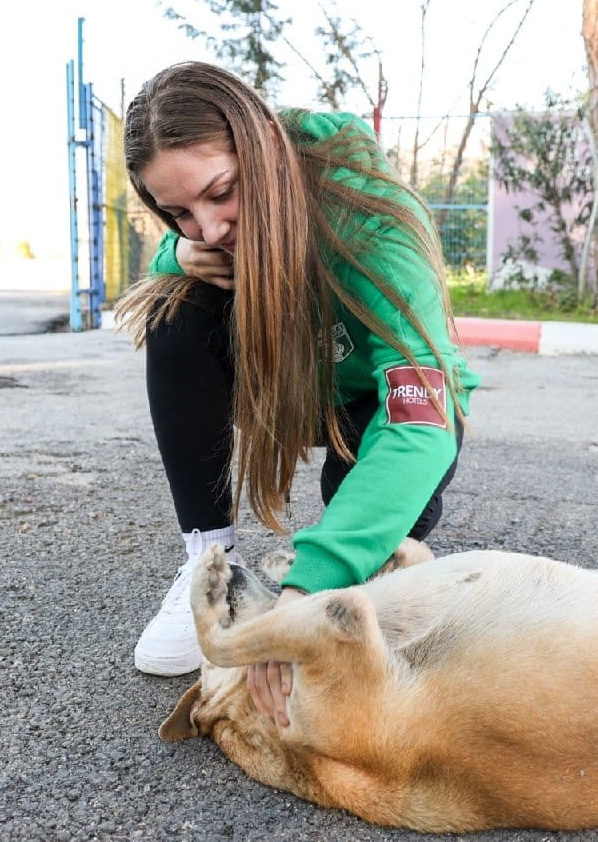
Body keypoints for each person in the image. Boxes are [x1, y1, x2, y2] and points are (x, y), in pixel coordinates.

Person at [115, 61, 479, 725]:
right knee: (174, 314)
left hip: (380, 407)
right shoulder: (208, 232)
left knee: (364, 555)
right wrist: (175, 255)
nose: (210, 227)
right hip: (290, 386)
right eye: (178, 213)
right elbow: (183, 251)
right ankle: (209, 565)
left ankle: (361, 551)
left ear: (258, 146)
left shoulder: (371, 217)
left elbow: (419, 418)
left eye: (220, 192)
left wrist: (308, 584)